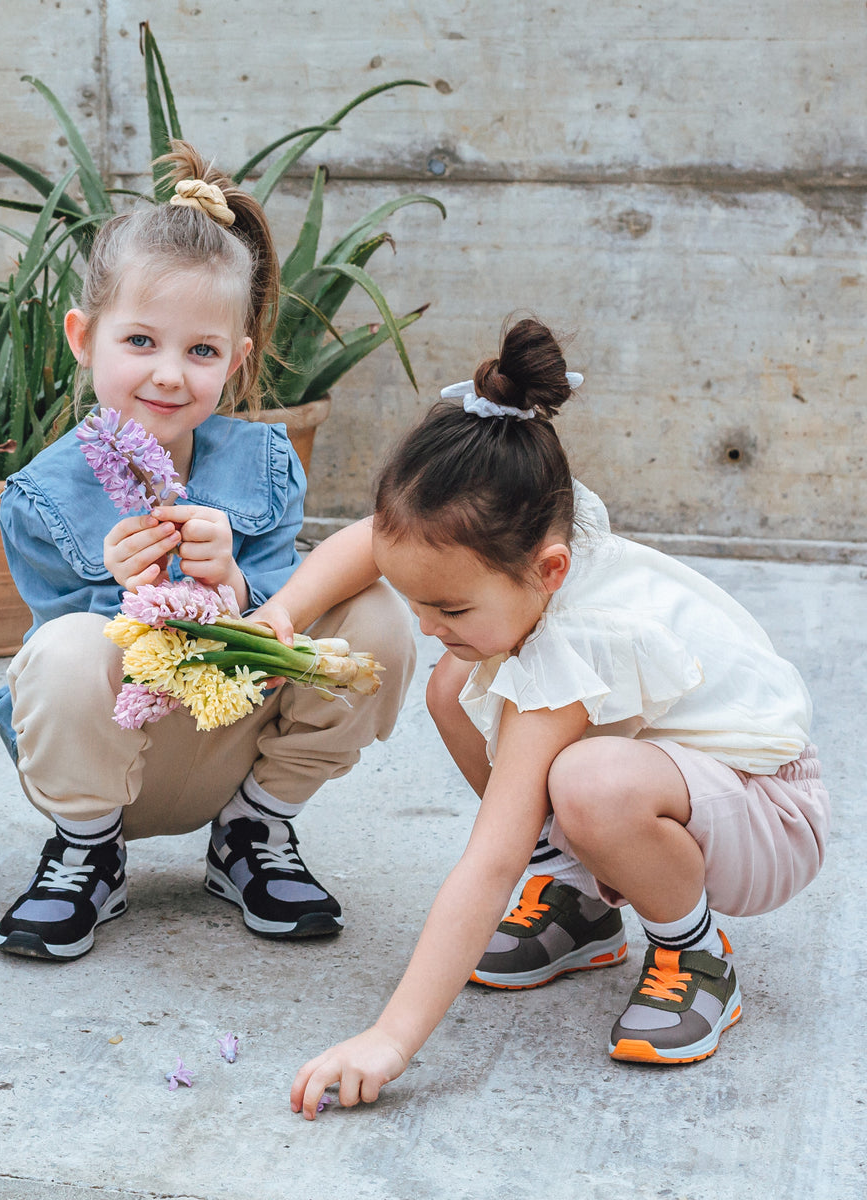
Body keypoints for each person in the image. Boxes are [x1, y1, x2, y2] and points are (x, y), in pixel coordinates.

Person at [252, 317, 829, 1117]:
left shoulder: (570, 643)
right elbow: (375, 542)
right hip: (679, 776)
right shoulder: (530, 518)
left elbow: (489, 862)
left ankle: (694, 952)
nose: (423, 622)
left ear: (550, 569)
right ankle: (582, 901)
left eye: (448, 604)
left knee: (586, 779)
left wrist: (388, 1040)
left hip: (768, 810)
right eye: (417, 600)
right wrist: (281, 612)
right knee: (454, 684)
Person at [0, 141, 416, 962]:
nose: (170, 375)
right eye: (140, 341)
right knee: (71, 644)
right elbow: (60, 672)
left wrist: (235, 583)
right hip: (121, 764)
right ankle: (85, 854)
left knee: (374, 617)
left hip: (235, 744)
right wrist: (128, 592)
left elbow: (288, 627)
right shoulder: (42, 497)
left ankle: (253, 832)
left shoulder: (261, 467)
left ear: (238, 361)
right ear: (85, 338)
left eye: (202, 351)